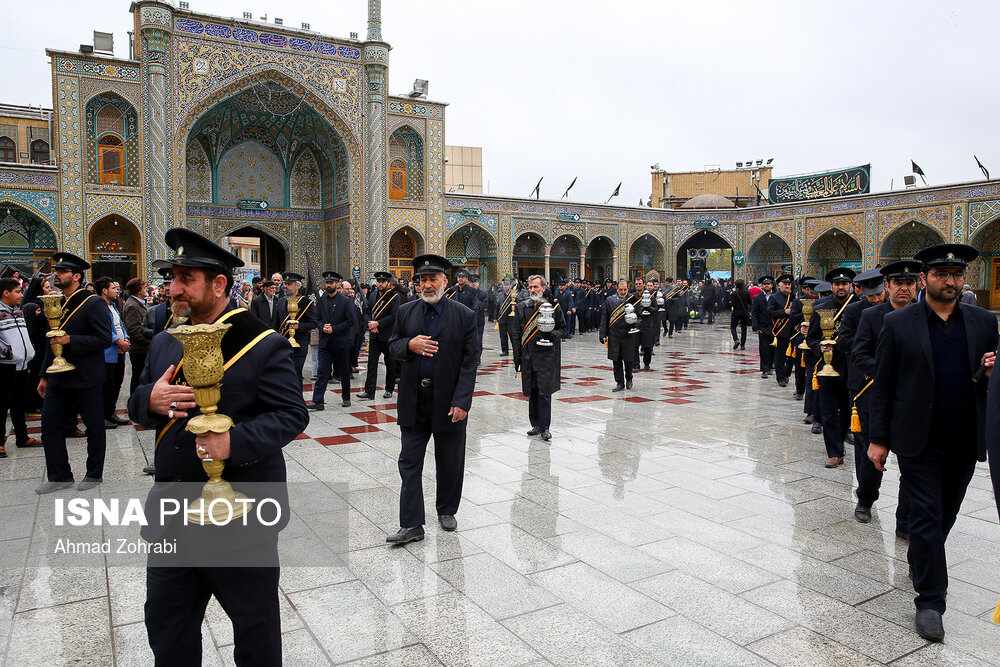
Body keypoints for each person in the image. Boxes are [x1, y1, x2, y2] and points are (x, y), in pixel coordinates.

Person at [129, 227, 308, 665]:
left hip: (242, 514)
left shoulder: (261, 343)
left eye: (185, 279)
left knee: (255, 630)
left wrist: (235, 442)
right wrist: (148, 401)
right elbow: (138, 402)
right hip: (172, 512)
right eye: (172, 278)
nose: (173, 289)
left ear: (219, 284)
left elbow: (291, 414)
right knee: (167, 629)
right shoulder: (168, 337)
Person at [869, 244, 997, 643]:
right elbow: (884, 382)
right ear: (926, 279)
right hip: (917, 438)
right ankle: (930, 601)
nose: (951, 281)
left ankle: (923, 557)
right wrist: (878, 439)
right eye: (942, 274)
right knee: (924, 516)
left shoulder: (982, 322)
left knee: (945, 515)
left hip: (964, 436)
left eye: (956, 275)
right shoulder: (901, 322)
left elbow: (987, 377)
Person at [386, 254, 478, 543]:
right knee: (409, 461)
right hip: (414, 401)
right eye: (422, 280)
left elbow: (470, 361)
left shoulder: (464, 315)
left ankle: (447, 509)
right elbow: (393, 346)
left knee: (450, 460)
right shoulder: (406, 312)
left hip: (449, 401)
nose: (427, 285)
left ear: (444, 281)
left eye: (432, 280)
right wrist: (409, 345)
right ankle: (412, 524)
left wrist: (462, 401)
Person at [35, 252, 113, 493]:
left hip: (85, 376)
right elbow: (51, 340)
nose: (56, 275)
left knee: (93, 427)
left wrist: (71, 340)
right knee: (49, 426)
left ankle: (93, 474)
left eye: (62, 272)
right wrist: (44, 374)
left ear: (76, 276)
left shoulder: (93, 302)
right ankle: (59, 476)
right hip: (58, 377)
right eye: (56, 271)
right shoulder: (57, 302)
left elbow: (103, 338)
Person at [849, 261, 916, 530]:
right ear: (887, 286)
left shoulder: (924, 316)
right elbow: (859, 355)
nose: (903, 288)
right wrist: (889, 372)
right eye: (898, 283)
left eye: (909, 283)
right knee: (871, 455)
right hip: (875, 395)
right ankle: (865, 499)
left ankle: (905, 519)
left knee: (911, 463)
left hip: (911, 400)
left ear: (918, 285)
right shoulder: (872, 316)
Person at [806, 267, 857, 468]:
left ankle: (842, 437)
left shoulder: (860, 307)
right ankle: (834, 451)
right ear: (832, 286)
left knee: (846, 408)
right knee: (827, 410)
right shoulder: (821, 307)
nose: (841, 287)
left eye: (844, 284)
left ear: (851, 286)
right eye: (837, 284)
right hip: (827, 367)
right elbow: (810, 337)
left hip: (851, 366)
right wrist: (819, 347)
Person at [512, 275, 566, 442]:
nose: (533, 290)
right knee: (532, 391)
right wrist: (517, 357)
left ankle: (545, 427)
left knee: (544, 392)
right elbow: (516, 333)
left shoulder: (553, 307)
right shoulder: (522, 307)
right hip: (528, 356)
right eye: (530, 287)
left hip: (546, 356)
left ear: (544, 288)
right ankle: (535, 424)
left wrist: (551, 335)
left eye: (536, 287)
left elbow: (563, 329)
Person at [0, 277, 43, 457]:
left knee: (19, 403)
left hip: (22, 365)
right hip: (4, 366)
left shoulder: (17, 311)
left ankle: (22, 436)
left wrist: (27, 353)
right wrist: (9, 354)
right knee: (2, 404)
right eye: (17, 291)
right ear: (5, 293)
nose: (21, 295)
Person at [307, 272, 355, 410]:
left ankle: (346, 397)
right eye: (327, 283)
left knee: (344, 372)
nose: (329, 285)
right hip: (326, 342)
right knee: (322, 372)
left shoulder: (346, 301)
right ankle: (318, 401)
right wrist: (323, 327)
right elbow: (316, 318)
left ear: (337, 284)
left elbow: (351, 321)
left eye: (331, 283)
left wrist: (334, 329)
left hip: (341, 342)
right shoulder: (322, 300)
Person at [359, 271, 401, 400]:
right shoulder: (372, 295)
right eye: (378, 281)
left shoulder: (394, 296)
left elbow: (394, 316)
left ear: (388, 283)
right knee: (372, 363)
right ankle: (369, 391)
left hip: (387, 336)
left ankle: (389, 389)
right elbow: (366, 312)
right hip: (374, 335)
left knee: (390, 364)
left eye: (383, 282)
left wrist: (378, 324)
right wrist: (371, 323)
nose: (380, 284)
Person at [95, 276, 130, 429]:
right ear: (104, 290)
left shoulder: (113, 305)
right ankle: (101, 416)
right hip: (107, 353)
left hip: (119, 353)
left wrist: (126, 339)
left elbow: (119, 325)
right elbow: (105, 330)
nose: (117, 291)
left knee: (117, 384)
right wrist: (119, 342)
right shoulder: (99, 306)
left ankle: (110, 412)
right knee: (106, 385)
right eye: (114, 289)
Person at [276, 272, 317, 388]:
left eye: (289, 284)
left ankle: (297, 401)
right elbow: (275, 323)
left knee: (295, 374)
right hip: (282, 344)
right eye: (285, 284)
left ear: (297, 286)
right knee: (283, 375)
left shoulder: (306, 303)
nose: (286, 286)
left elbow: (313, 323)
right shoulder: (280, 302)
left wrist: (300, 326)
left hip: (299, 345)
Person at [599, 279, 639, 392]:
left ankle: (629, 378)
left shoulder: (633, 299)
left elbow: (640, 316)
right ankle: (619, 382)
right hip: (614, 335)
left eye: (625, 290)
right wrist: (602, 333)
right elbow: (605, 318)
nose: (622, 292)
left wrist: (634, 323)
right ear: (617, 289)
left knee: (629, 359)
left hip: (628, 334)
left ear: (628, 289)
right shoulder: (609, 300)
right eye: (620, 290)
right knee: (616, 360)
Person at [121, 277, 150, 399]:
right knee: (138, 377)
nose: (146, 289)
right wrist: (151, 341)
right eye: (144, 287)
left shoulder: (138, 303)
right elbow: (134, 331)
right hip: (139, 350)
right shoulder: (133, 306)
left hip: (142, 349)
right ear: (139, 290)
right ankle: (135, 403)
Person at [767, 274, 795, 387]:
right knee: (780, 355)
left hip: (793, 330)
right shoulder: (774, 297)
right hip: (780, 331)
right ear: (780, 286)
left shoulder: (793, 297)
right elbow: (770, 312)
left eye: (789, 284)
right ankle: (781, 377)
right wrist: (784, 312)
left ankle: (787, 373)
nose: (787, 286)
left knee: (792, 355)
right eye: (785, 284)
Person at [751, 275, 774, 378]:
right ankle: (764, 369)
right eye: (764, 284)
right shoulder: (758, 298)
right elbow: (754, 313)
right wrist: (755, 327)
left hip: (774, 327)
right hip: (763, 326)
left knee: (772, 348)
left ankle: (770, 366)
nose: (766, 286)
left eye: (768, 284)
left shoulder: (776, 296)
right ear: (762, 286)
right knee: (763, 349)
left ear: (772, 285)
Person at [495, 278, 516, 356]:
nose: (505, 286)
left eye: (507, 285)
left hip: (511, 318)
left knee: (512, 335)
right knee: (503, 336)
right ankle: (505, 350)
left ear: (510, 285)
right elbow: (497, 306)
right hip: (502, 318)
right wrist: (495, 317)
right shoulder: (500, 294)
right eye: (504, 285)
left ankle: (515, 350)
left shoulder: (514, 294)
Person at [729, 278, 752, 350]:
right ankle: (743, 345)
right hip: (744, 312)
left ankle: (736, 339)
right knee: (744, 329)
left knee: (733, 327)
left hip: (736, 312)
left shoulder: (734, 293)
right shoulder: (747, 292)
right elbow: (750, 302)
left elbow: (732, 304)